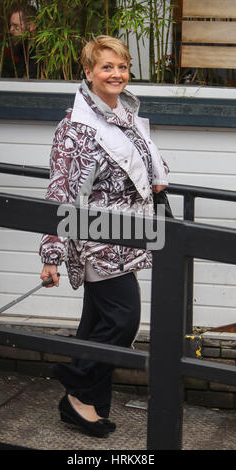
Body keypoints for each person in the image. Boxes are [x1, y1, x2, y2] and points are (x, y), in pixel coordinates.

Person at [39, 35, 168, 438]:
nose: (116, 74)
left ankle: (85, 406)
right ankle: (76, 388)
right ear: (89, 72)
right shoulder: (76, 128)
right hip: (97, 238)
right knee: (124, 318)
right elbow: (60, 192)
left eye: (122, 66)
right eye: (106, 67)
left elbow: (143, 163)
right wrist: (51, 255)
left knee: (97, 321)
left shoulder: (123, 115)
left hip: (128, 234)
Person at [2, 2, 37, 78]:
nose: (11, 30)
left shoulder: (39, 54)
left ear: (31, 26)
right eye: (10, 25)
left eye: (15, 26)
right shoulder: (21, 48)